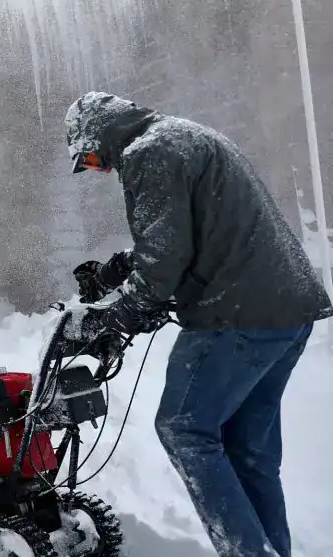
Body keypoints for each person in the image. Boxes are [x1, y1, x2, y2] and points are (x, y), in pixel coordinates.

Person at [65, 91, 331, 557]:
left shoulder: (148, 152)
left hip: (236, 314)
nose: (98, 169)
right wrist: (120, 269)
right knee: (249, 452)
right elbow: (192, 234)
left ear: (100, 133)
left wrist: (116, 317)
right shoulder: (185, 137)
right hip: (287, 313)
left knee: (183, 429)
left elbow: (167, 256)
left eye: (89, 156)